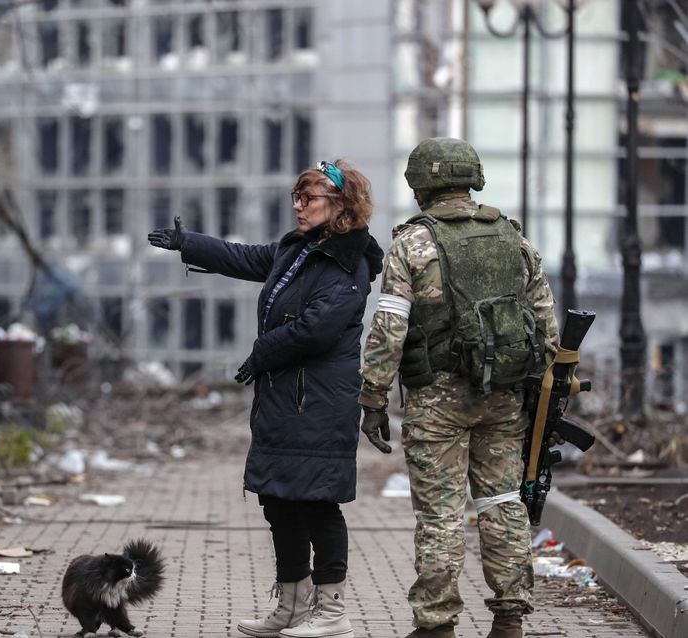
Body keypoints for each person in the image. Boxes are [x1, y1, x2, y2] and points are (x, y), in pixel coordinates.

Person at [148, 160, 384, 638]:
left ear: (339, 205)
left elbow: (317, 329)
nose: (298, 206)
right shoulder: (297, 249)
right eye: (295, 197)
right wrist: (188, 242)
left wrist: (260, 352)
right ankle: (292, 606)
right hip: (283, 399)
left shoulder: (348, 261)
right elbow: (245, 257)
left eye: (308, 198)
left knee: (318, 501)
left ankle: (333, 613)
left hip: (318, 401)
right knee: (278, 499)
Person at [358, 137, 559, 638]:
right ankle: (510, 618)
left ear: (420, 182)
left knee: (441, 514)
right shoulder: (513, 238)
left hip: (436, 400)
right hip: (504, 397)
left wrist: (373, 398)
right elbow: (547, 330)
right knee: (502, 502)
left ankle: (437, 625)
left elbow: (389, 330)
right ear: (473, 177)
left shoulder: (411, 244)